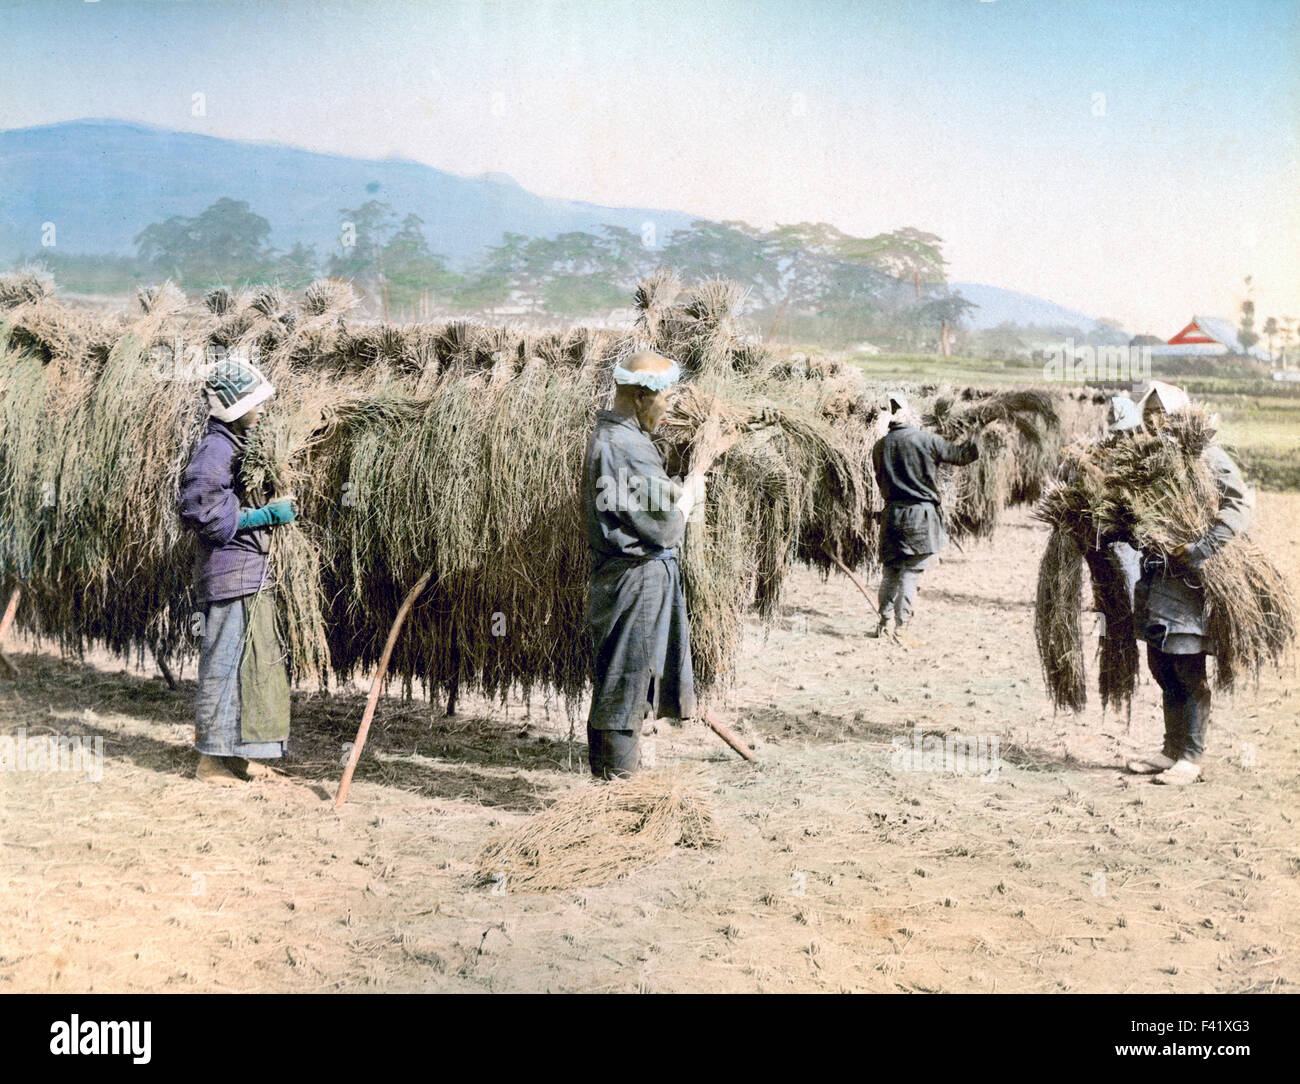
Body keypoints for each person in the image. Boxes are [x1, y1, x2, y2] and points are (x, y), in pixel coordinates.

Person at [581, 352, 702, 779]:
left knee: (617, 677)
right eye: (665, 398)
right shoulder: (628, 448)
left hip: (622, 577)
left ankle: (606, 784)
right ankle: (618, 789)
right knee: (628, 681)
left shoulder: (614, 439)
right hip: (638, 579)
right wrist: (686, 499)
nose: (669, 407)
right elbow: (666, 528)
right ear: (638, 397)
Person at [178, 360, 297, 786]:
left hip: (250, 575)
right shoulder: (216, 448)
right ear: (234, 407)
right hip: (230, 574)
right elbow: (200, 506)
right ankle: (210, 761)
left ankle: (240, 757)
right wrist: (263, 516)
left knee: (252, 666)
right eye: (254, 403)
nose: (261, 410)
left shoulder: (237, 442)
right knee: (225, 666)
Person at [1126, 381, 1251, 785]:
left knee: (1186, 666)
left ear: (1182, 413)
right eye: (1149, 412)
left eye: (1163, 412)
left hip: (1190, 583)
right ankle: (1169, 750)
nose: (1155, 419)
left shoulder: (1206, 455)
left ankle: (1191, 758)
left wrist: (1199, 548)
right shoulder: (1148, 458)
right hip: (1154, 578)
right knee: (1161, 665)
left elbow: (1238, 505)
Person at [867, 391, 979, 646]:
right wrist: (977, 432)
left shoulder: (879, 446)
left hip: (891, 515)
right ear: (911, 416)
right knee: (910, 573)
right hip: (919, 516)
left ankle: (883, 625)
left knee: (891, 571)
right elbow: (963, 455)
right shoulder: (926, 441)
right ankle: (902, 629)